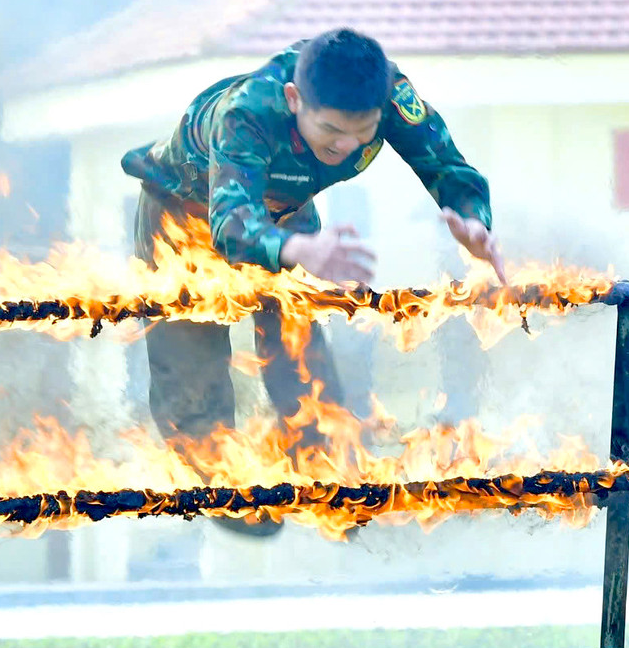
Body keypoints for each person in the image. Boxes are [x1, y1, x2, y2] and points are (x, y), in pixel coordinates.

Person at [121, 28, 503, 538]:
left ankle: (325, 473)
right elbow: (231, 226)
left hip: (285, 207)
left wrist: (474, 222)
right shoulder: (247, 113)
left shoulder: (388, 96)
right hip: (188, 208)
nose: (346, 146)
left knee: (297, 339)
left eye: (362, 133)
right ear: (294, 99)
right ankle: (225, 486)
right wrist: (301, 250)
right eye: (330, 131)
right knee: (192, 357)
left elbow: (448, 167)